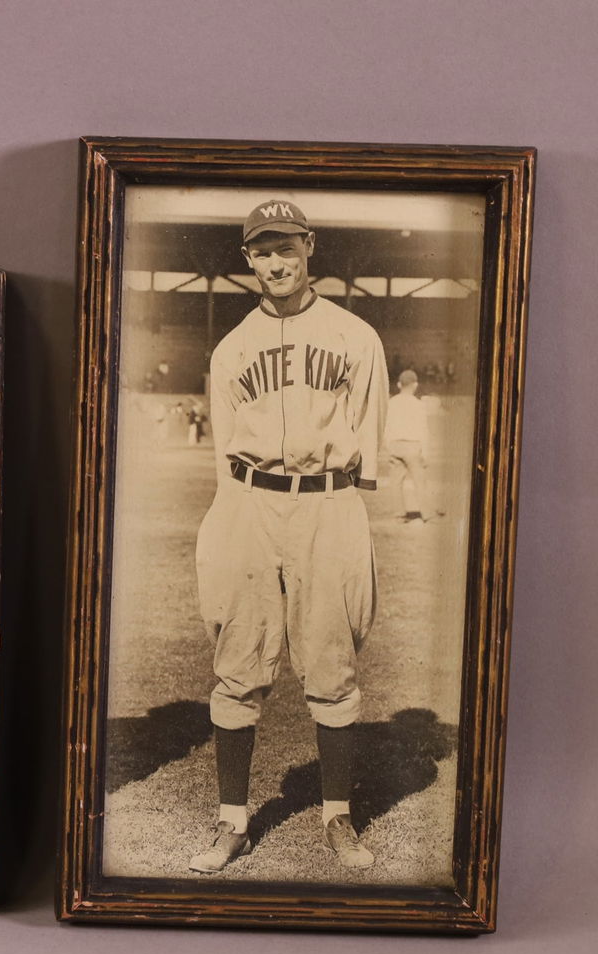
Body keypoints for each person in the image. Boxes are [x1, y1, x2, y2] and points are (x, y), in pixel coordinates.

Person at [189, 199, 388, 874]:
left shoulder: (356, 337)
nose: (276, 263)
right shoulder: (231, 347)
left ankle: (338, 817)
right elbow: (221, 449)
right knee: (238, 663)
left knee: (331, 666)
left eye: (287, 249)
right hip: (246, 501)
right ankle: (231, 821)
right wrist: (227, 522)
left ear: (310, 248)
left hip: (328, 502)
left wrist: (347, 520)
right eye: (262, 251)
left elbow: (371, 438)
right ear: (249, 259)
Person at [386, 368, 431, 523]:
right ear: (415, 385)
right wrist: (425, 451)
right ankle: (427, 514)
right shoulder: (419, 405)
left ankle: (399, 515)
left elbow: (386, 426)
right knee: (420, 481)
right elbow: (423, 429)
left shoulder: (391, 403)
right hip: (413, 445)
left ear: (399, 384)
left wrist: (388, 445)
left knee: (396, 482)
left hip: (395, 444)